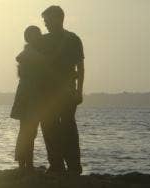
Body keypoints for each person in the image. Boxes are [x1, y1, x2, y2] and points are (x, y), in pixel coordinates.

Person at [39, 5, 85, 176]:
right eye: (44, 20)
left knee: (67, 127)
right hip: (47, 93)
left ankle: (73, 166)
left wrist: (79, 90)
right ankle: (57, 164)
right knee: (49, 126)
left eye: (47, 20)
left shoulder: (73, 39)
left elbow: (80, 67)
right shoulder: (42, 41)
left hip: (66, 92)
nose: (45, 24)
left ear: (58, 18)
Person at [11, 25, 54, 173]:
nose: (40, 37)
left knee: (28, 130)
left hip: (30, 95)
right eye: (36, 35)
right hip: (29, 96)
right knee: (28, 130)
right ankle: (25, 163)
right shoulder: (30, 53)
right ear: (29, 38)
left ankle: (24, 163)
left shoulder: (30, 52)